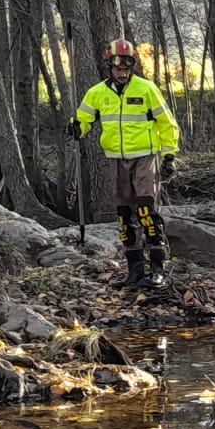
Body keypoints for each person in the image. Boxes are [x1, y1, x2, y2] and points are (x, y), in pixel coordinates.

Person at [73, 39, 180, 286]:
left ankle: (157, 269)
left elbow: (167, 123)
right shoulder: (97, 93)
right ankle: (134, 271)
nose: (122, 73)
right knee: (124, 215)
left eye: (126, 68)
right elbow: (83, 120)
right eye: (117, 68)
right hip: (116, 159)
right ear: (109, 67)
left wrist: (169, 155)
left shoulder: (146, 89)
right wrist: (77, 126)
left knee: (146, 210)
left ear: (132, 67)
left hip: (145, 157)